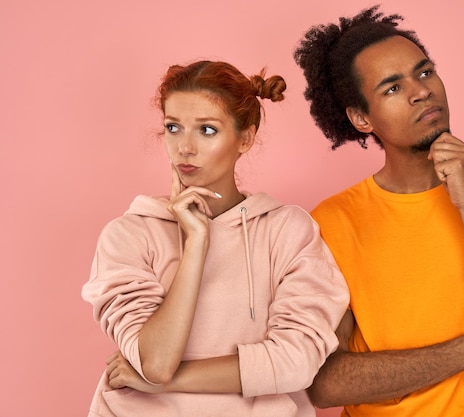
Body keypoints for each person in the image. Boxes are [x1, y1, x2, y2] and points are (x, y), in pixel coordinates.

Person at [293, 5, 464, 417]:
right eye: (392, 88)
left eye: (424, 72)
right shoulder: (331, 222)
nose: (422, 91)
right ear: (361, 118)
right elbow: (326, 383)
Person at [81, 60, 349, 417]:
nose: (184, 148)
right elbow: (156, 362)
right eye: (173, 128)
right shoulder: (128, 235)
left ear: (246, 138)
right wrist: (196, 246)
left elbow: (295, 363)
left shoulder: (288, 231)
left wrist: (172, 381)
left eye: (207, 130)